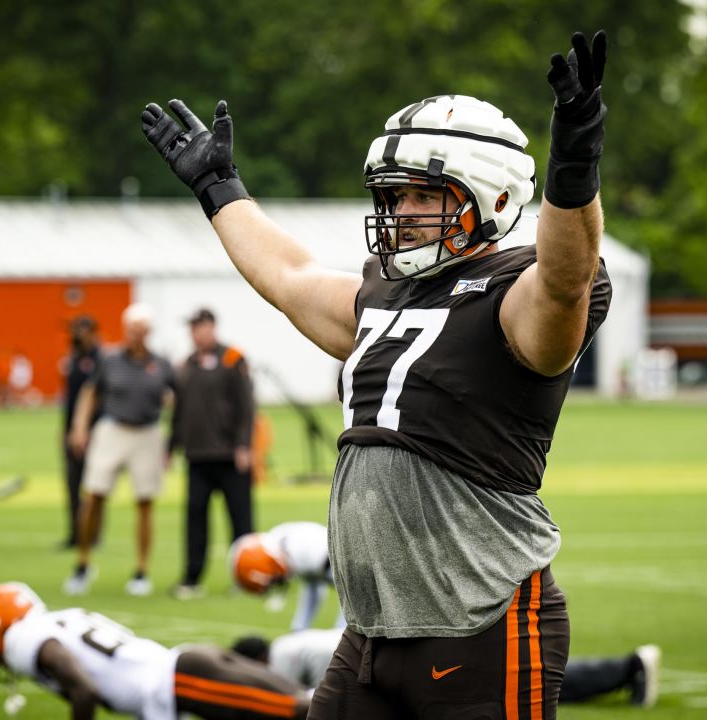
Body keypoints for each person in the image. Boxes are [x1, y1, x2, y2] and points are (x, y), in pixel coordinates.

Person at [143, 29, 612, 720]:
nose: (399, 215)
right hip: (369, 634)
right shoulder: (385, 294)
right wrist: (221, 189)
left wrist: (576, 159)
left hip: (481, 626)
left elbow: (566, 281)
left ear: (494, 199)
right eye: (392, 198)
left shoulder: (516, 293)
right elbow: (290, 276)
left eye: (423, 195)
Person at [0, 582, 310, 720]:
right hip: (189, 664)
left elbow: (82, 689)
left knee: (300, 712)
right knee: (309, 702)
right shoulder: (59, 618)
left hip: (182, 680)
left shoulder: (23, 638)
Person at [232, 632, 662, 708]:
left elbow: (291, 700)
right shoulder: (293, 646)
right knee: (527, 683)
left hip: (411, 658)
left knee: (532, 686)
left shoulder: (283, 657)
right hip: (402, 654)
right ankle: (627, 668)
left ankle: (629, 666)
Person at [65, 304, 175, 597]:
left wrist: (172, 441)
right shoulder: (110, 360)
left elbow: (175, 397)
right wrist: (80, 426)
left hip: (147, 432)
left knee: (145, 502)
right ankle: (83, 563)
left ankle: (141, 571)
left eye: (141, 330)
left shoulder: (162, 364)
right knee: (93, 496)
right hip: (112, 429)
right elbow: (90, 392)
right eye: (131, 330)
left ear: (148, 332)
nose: (136, 336)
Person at [167, 308, 256, 599]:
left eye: (199, 327)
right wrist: (171, 446)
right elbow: (179, 411)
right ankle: (192, 578)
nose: (196, 333)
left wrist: (244, 445)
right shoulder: (187, 364)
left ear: (211, 327)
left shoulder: (232, 358)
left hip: (230, 455)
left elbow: (246, 406)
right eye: (192, 329)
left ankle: (247, 577)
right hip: (197, 456)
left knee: (240, 521)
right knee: (195, 520)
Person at [228, 522, 344, 631]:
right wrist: (298, 629)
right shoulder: (280, 546)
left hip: (350, 565)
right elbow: (313, 587)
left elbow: (352, 593)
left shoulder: (303, 551)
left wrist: (339, 633)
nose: (276, 582)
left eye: (273, 580)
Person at [60, 314, 102, 549]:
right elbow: (70, 399)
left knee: (94, 487)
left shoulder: (100, 359)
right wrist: (66, 429)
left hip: (93, 431)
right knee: (72, 485)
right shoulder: (74, 357)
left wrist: (88, 429)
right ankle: (75, 534)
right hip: (71, 430)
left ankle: (92, 535)